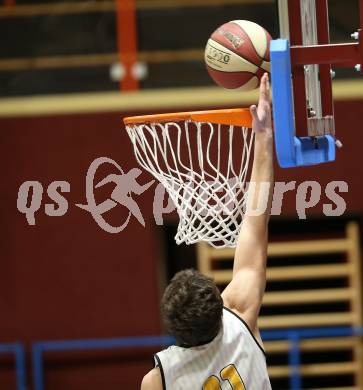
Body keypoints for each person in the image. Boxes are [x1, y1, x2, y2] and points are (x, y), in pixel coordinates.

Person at [141, 73, 273, 390]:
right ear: (220, 305)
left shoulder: (157, 380)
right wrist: (263, 137)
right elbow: (255, 224)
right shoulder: (240, 315)